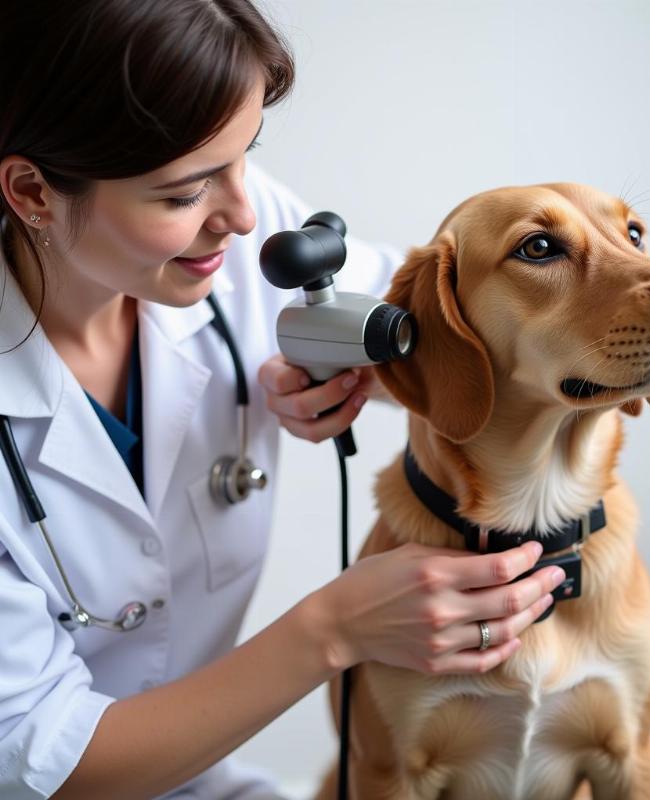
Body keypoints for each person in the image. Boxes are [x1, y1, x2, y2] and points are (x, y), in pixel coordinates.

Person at [0, 2, 564, 798]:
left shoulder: (227, 226)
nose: (243, 217)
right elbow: (43, 759)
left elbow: (450, 325)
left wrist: (363, 366)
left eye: (246, 156)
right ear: (31, 190)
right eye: (183, 194)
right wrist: (335, 629)